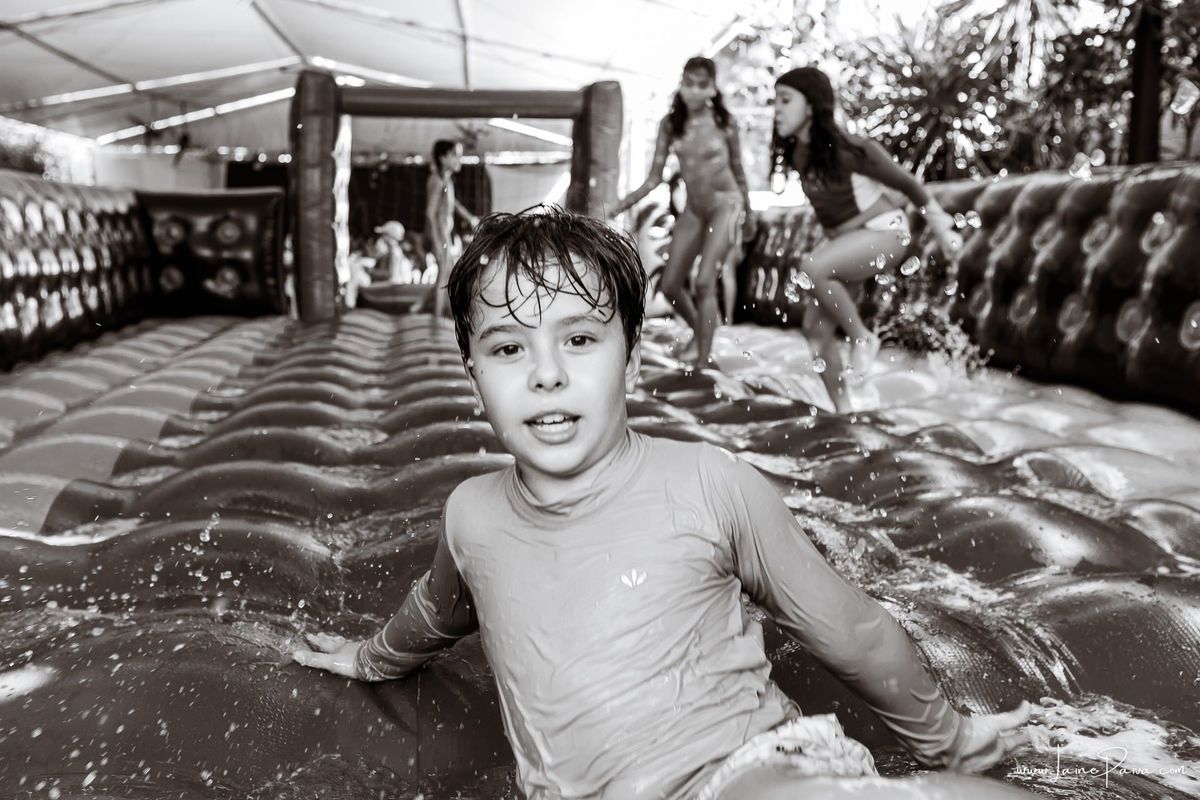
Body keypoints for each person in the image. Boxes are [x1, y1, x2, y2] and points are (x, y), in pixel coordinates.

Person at [292, 207, 1032, 800]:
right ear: (471, 372)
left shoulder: (710, 484)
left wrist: (950, 739)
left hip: (748, 772)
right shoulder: (471, 515)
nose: (546, 374)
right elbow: (436, 611)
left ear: (634, 358)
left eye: (579, 338)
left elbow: (856, 631)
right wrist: (370, 659)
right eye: (508, 349)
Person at [771, 66, 963, 413]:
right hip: (854, 242)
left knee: (811, 267)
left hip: (887, 232)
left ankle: (863, 336)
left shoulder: (851, 149)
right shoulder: (800, 155)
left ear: (812, 106)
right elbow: (833, 216)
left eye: (785, 100)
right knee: (814, 331)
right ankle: (845, 409)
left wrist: (942, 228)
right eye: (775, 102)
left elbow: (909, 186)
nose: (777, 110)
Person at [611, 56, 754, 368]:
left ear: (713, 89)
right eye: (688, 83)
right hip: (695, 209)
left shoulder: (724, 124)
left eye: (702, 85)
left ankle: (704, 360)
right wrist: (621, 204)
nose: (694, 92)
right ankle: (701, 333)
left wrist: (750, 214)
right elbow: (653, 179)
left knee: (705, 282)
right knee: (671, 284)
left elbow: (739, 172)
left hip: (726, 205)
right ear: (682, 85)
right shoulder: (671, 125)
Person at [414, 139, 480, 318]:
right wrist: (437, 239)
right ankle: (437, 316)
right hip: (439, 234)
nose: (459, 159)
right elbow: (430, 213)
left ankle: (418, 307)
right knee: (445, 275)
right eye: (455, 155)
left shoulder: (446, 181)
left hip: (444, 234)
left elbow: (454, 204)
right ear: (443, 158)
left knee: (445, 274)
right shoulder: (436, 181)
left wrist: (470, 218)